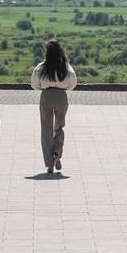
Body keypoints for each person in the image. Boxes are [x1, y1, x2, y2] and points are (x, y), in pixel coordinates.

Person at [30, 40, 78, 173]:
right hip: (61, 96)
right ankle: (57, 152)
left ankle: (49, 163)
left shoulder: (42, 67)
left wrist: (44, 88)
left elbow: (34, 83)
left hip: (46, 95)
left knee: (46, 129)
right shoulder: (66, 67)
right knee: (59, 126)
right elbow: (73, 82)